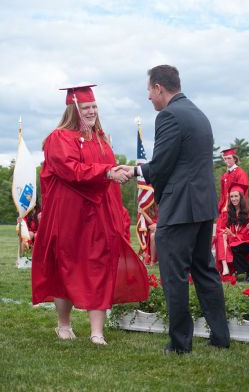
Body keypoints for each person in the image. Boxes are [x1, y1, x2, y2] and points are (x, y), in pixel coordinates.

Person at [119, 65, 230, 353]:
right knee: (205, 271)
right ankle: (221, 336)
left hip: (181, 207)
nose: (148, 97)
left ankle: (180, 343)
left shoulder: (169, 115)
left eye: (149, 91)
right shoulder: (198, 113)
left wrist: (132, 171)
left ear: (158, 87)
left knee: (174, 275)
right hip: (203, 206)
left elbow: (161, 165)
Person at [32, 84, 149, 344]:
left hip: (99, 213)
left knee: (100, 265)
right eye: (86, 107)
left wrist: (117, 174)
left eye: (94, 107)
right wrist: (106, 172)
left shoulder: (101, 138)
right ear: (74, 110)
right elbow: (69, 170)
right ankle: (64, 325)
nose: (92, 111)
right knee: (66, 264)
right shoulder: (58, 138)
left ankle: (97, 332)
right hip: (69, 214)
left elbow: (107, 171)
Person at [215, 183, 249, 281]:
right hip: (231, 241)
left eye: (236, 196)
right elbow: (219, 228)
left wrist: (234, 235)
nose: (234, 199)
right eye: (231, 196)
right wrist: (227, 233)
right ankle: (225, 266)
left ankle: (246, 272)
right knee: (222, 235)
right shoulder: (228, 212)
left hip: (245, 242)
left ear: (241, 197)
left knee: (234, 246)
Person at [218, 148, 248, 213]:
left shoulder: (240, 173)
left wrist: (238, 210)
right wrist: (220, 207)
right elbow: (223, 194)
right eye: (225, 159)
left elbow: (243, 194)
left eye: (229, 158)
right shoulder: (224, 175)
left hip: (235, 209)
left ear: (234, 159)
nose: (226, 161)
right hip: (225, 208)